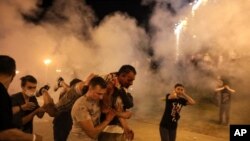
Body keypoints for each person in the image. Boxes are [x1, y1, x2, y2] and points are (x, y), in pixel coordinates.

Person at [0, 55, 42, 141]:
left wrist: (43, 108)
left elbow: (40, 115)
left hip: (27, 132)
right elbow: (16, 125)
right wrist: (34, 138)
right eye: (30, 87)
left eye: (34, 87)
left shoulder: (33, 98)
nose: (33, 90)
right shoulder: (12, 98)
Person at [68, 76, 115, 141]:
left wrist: (109, 92)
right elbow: (92, 134)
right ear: (90, 88)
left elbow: (105, 108)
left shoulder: (96, 99)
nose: (101, 97)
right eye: (99, 94)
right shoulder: (81, 106)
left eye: (103, 94)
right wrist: (107, 120)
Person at [98, 65, 136, 141]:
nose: (131, 83)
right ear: (121, 76)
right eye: (129, 80)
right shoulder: (107, 85)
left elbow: (128, 105)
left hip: (116, 130)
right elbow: (105, 109)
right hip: (106, 130)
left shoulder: (121, 88)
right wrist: (122, 114)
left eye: (132, 80)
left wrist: (126, 127)